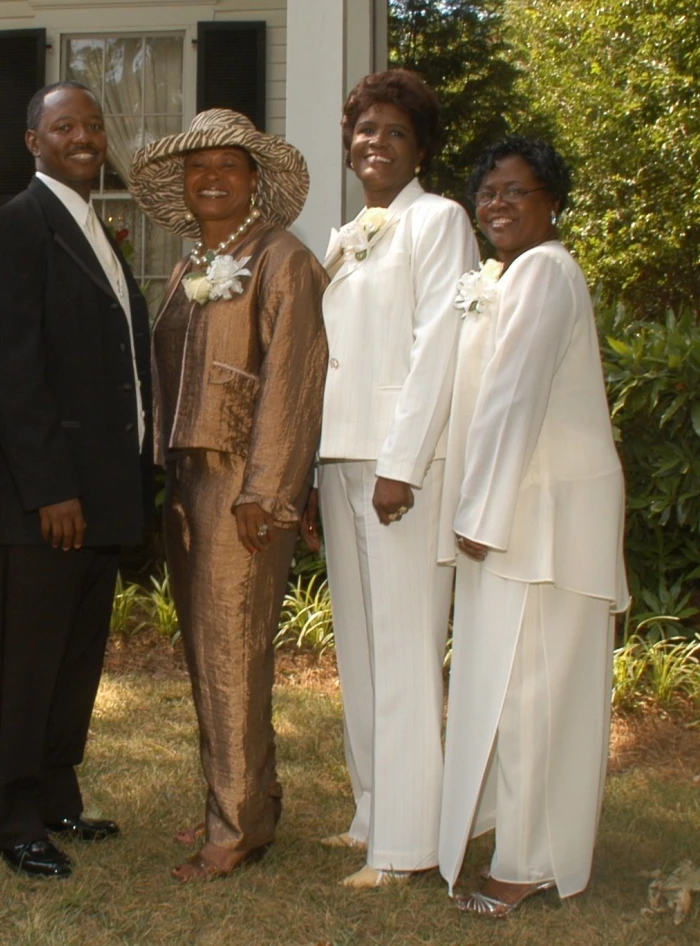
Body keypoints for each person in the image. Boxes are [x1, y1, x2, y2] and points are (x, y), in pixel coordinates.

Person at [129, 109, 327, 881]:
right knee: (210, 656)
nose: (210, 177)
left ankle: (236, 828)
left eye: (228, 166)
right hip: (188, 485)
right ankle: (241, 802)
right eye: (197, 166)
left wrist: (268, 490)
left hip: (242, 489)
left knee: (233, 657)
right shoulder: (187, 268)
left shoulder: (284, 261)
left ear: (255, 182)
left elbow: (295, 382)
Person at [437, 137, 628, 917]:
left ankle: (526, 862)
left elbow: (515, 399)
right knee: (518, 687)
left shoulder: (547, 271)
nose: (497, 205)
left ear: (552, 201)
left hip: (543, 518)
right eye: (487, 193)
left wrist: (477, 515)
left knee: (534, 694)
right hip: (525, 511)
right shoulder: (521, 276)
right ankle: (517, 831)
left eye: (516, 191)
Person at [300, 69, 479, 888]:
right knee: (361, 648)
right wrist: (310, 471)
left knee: (405, 650)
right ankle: (373, 810)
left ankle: (409, 843)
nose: (376, 143)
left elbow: (436, 349)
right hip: (341, 459)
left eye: (395, 132)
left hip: (398, 467)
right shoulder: (346, 235)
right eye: (365, 129)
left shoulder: (439, 223)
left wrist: (401, 466)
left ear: (420, 149)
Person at [0, 81, 152, 879]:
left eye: (91, 125)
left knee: (76, 657)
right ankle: (11, 818)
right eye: (63, 126)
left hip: (103, 493)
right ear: (32, 142)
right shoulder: (14, 229)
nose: (83, 136)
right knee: (28, 663)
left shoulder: (98, 231)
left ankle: (55, 795)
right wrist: (50, 487)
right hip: (45, 500)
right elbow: (10, 371)